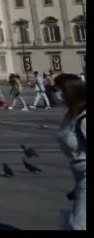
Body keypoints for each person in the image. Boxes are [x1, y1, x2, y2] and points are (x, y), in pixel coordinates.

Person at [53, 73, 86, 231]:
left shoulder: (84, 119)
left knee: (78, 225)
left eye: (59, 90)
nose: (56, 94)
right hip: (80, 176)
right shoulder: (70, 115)